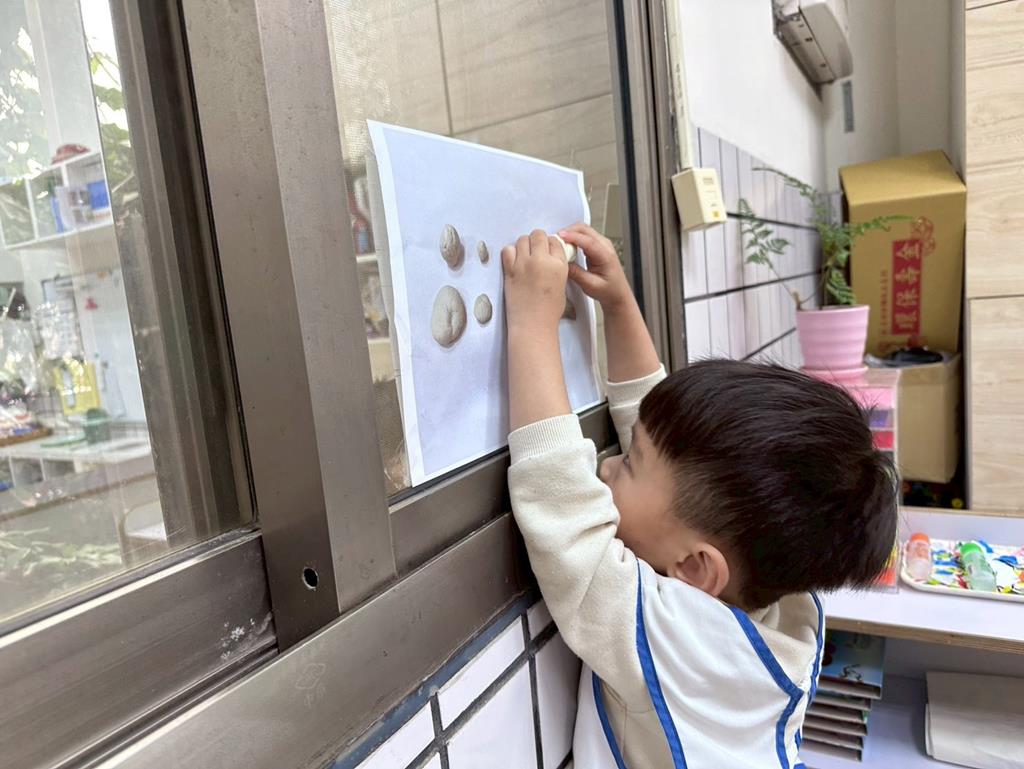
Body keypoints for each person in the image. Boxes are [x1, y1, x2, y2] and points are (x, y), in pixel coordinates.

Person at [502, 224, 898, 768]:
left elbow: (566, 518)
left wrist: (530, 323)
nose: (608, 465)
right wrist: (619, 305)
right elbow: (664, 449)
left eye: (628, 465)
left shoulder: (678, 645)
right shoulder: (773, 593)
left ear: (694, 567)